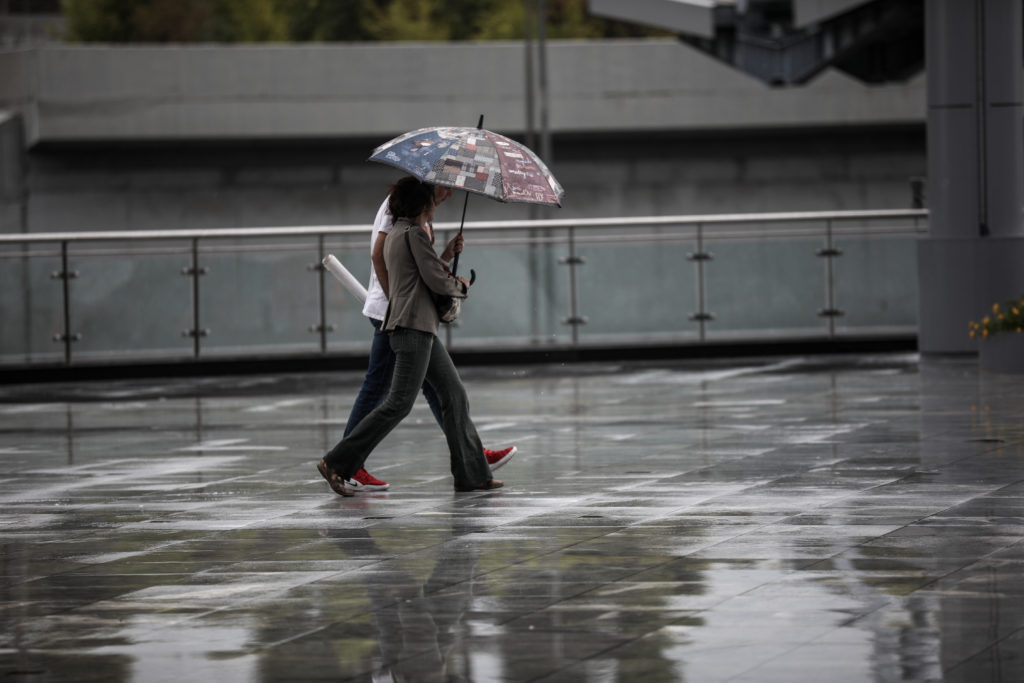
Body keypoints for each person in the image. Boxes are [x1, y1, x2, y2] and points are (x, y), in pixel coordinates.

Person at [317, 177, 506, 496]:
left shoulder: (401, 233)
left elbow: (417, 272)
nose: (442, 199)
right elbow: (432, 279)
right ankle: (339, 461)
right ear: (423, 202)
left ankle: (472, 472)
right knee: (397, 402)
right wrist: (461, 286)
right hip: (412, 326)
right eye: (438, 195)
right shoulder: (414, 234)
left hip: (414, 323)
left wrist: (442, 254)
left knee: (452, 393)